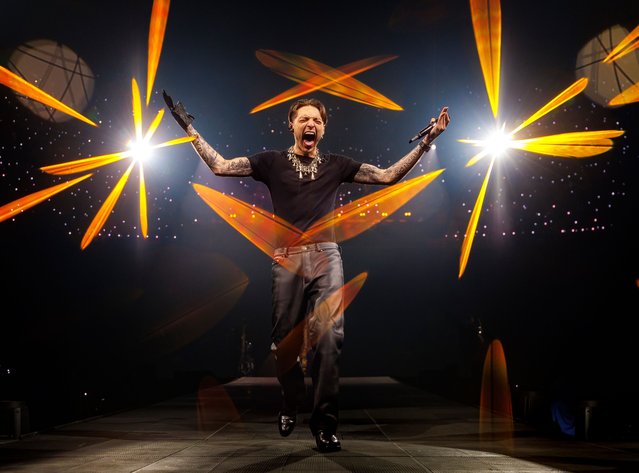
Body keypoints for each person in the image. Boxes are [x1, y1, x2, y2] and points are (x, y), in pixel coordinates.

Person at [163, 91, 450, 452]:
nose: (310, 124)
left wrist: (427, 143)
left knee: (331, 338)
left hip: (327, 256)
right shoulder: (270, 161)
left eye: (316, 120)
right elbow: (220, 166)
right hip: (287, 258)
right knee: (285, 345)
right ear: (292, 125)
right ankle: (291, 400)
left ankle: (325, 425)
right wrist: (188, 127)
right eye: (304, 119)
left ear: (323, 128)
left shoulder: (337, 164)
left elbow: (388, 176)